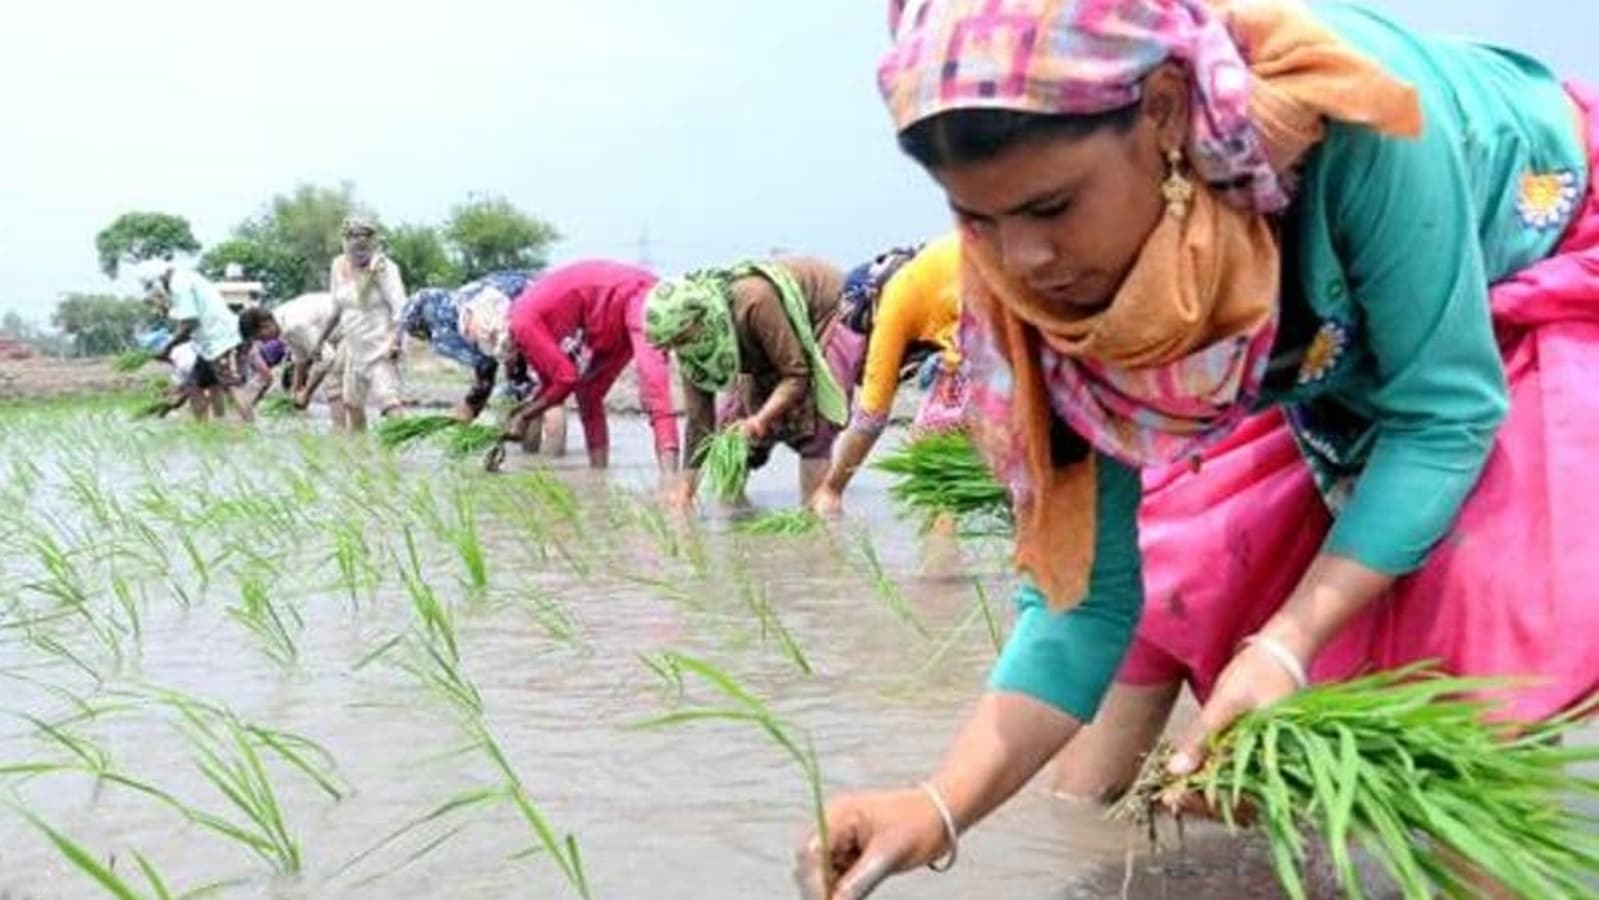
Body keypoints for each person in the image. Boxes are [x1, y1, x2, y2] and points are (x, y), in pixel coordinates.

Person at [799, 2, 1599, 897]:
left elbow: (1442, 416)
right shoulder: (1030, 295)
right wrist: (937, 804)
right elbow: (1082, 602)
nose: (1024, 259)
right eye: (974, 217)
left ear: (1167, 111)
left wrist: (1287, 645)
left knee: (1482, 625)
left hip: (1528, 242)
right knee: (1186, 572)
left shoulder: (1357, 121)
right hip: (1304, 332)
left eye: (1052, 206)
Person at [644, 257, 860, 508]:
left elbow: (796, 374)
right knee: (733, 429)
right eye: (671, 345)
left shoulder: (754, 300)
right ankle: (734, 513)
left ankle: (816, 513)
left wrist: (760, 419)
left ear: (698, 318)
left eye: (680, 339)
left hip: (823, 310)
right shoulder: (691, 345)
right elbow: (699, 420)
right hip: (764, 339)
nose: (678, 349)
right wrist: (686, 489)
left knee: (814, 423)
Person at [810, 234, 964, 517]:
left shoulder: (894, 299)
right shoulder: (932, 267)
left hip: (1004, 324)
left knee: (931, 453)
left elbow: (871, 418)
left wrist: (832, 488)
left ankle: (941, 558)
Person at [495, 260, 679, 488]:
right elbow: (553, 386)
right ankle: (598, 480)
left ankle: (671, 485)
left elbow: (566, 378)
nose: (511, 367)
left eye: (509, 362)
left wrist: (524, 415)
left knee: (653, 387)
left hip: (638, 295)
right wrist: (521, 415)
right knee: (587, 394)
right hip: (607, 322)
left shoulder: (521, 323)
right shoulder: (523, 331)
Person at [307, 218, 407, 431]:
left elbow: (401, 311)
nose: (360, 250)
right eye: (354, 241)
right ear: (345, 242)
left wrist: (396, 343)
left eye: (365, 243)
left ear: (372, 243)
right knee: (352, 403)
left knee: (387, 399)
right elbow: (335, 309)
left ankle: (405, 449)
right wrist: (319, 342)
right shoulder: (338, 265)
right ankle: (358, 452)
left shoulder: (384, 268)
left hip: (382, 344)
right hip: (354, 345)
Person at [134, 260, 254, 424]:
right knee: (194, 384)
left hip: (220, 339)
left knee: (231, 384)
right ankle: (204, 428)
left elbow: (189, 323)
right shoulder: (185, 277)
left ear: (158, 279)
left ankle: (251, 427)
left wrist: (167, 348)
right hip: (209, 343)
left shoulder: (179, 284)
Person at [239, 294, 347, 424]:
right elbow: (300, 358)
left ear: (265, 325)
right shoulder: (280, 323)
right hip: (342, 331)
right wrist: (295, 392)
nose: (263, 342)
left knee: (333, 383)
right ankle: (344, 432)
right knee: (337, 386)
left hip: (352, 326)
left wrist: (307, 393)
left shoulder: (293, 325)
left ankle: (341, 434)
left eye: (261, 338)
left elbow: (326, 359)